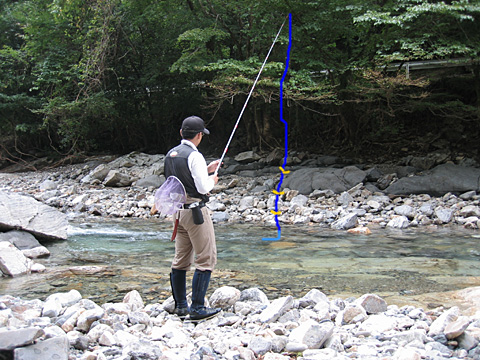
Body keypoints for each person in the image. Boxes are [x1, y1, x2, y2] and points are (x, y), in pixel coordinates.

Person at [164, 115, 222, 321]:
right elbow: (203, 187)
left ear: (181, 133)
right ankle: (197, 308)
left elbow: (179, 180)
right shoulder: (194, 156)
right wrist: (212, 179)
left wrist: (206, 171)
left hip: (178, 213)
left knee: (180, 260)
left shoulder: (171, 154)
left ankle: (181, 306)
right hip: (196, 214)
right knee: (206, 259)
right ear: (199, 135)